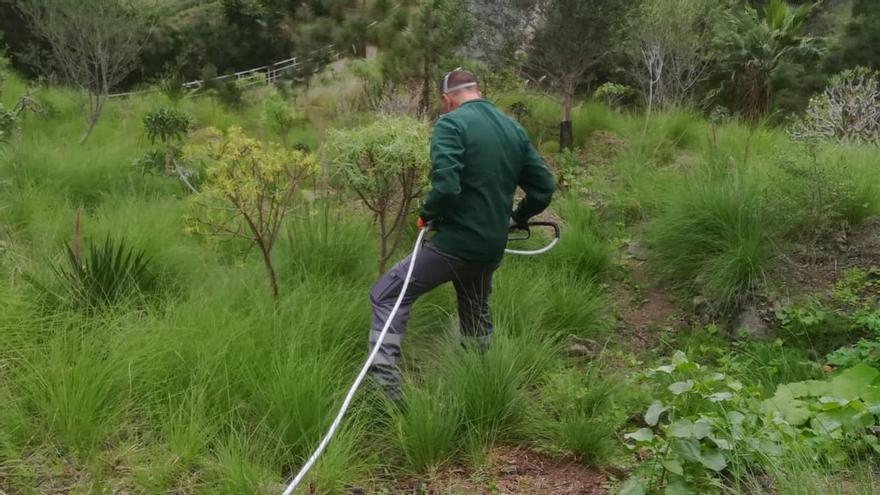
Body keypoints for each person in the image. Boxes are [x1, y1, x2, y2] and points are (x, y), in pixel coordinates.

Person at [368, 68, 555, 401]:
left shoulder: (451, 125)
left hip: (454, 246)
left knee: (386, 295)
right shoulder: (513, 129)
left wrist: (427, 213)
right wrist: (516, 218)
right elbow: (543, 189)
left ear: (447, 100)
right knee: (475, 313)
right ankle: (480, 386)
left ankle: (385, 392)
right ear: (477, 91)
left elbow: (446, 186)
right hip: (490, 249)